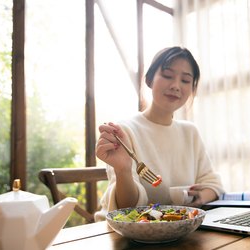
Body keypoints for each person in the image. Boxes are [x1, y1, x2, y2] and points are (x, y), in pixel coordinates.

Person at [94, 46, 224, 221]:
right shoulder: (124, 131)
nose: (176, 86)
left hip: (180, 231)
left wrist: (199, 199)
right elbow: (127, 210)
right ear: (149, 80)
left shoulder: (189, 132)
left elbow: (213, 185)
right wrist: (123, 170)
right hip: (120, 234)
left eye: (185, 80)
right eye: (168, 76)